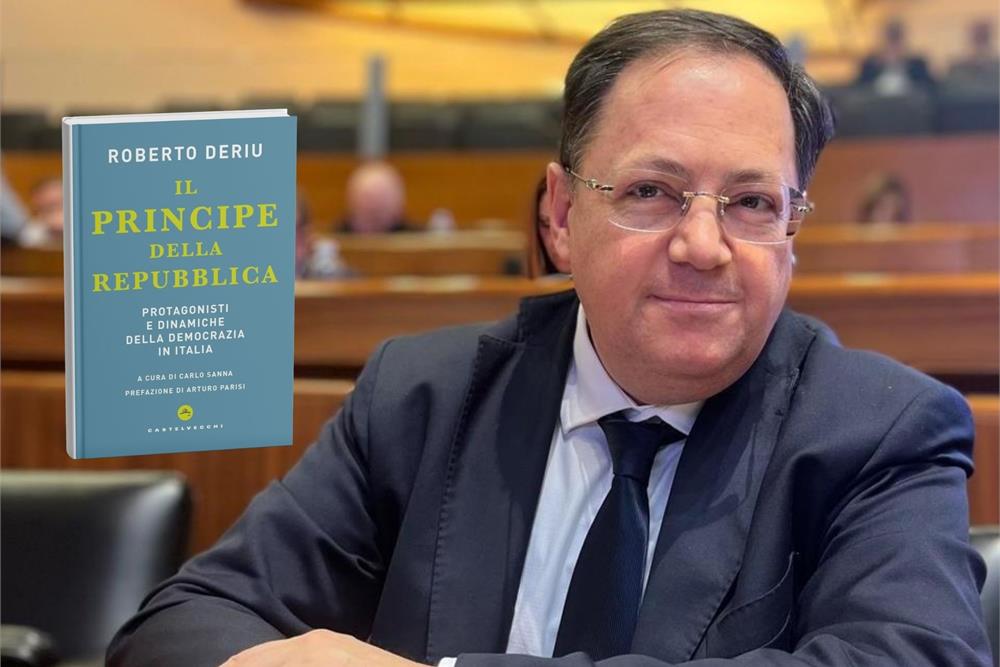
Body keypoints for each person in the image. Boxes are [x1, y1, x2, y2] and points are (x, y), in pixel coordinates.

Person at [108, 9, 991, 667]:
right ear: (562, 215)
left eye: (752, 202)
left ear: (792, 230)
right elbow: (182, 622)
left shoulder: (882, 430)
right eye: (651, 191)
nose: (703, 245)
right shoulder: (420, 396)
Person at [855, 19, 935, 95]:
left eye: (896, 42)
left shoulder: (917, 66)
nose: (893, 48)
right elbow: (858, 90)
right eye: (890, 42)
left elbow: (929, 89)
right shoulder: (869, 68)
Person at [338, 161, 416, 234]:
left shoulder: (415, 238)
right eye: (367, 198)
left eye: (383, 199)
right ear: (352, 201)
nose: (373, 206)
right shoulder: (336, 238)